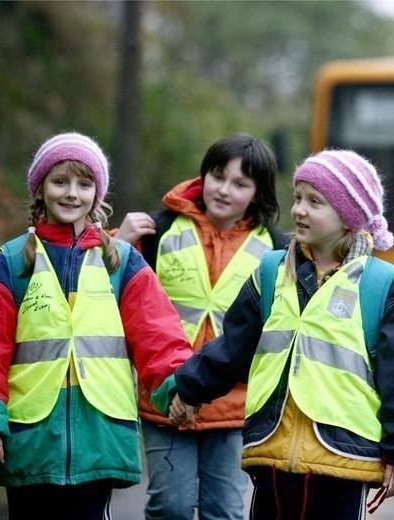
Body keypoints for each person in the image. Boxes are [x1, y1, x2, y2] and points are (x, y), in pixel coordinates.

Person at [155, 149, 394, 519]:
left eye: (315, 202)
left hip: (343, 459)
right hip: (273, 449)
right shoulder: (270, 272)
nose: (299, 209)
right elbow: (233, 347)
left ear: (348, 217)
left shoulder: (380, 286)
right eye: (298, 198)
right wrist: (189, 389)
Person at [0, 132, 193, 519]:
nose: (71, 194)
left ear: (97, 194)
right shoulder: (11, 262)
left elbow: (157, 332)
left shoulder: (123, 263)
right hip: (29, 438)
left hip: (99, 435)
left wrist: (177, 388)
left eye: (84, 184)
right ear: (40, 189)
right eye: (60, 181)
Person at [114, 133, 286, 520]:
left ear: (258, 193)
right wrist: (119, 246)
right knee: (170, 507)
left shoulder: (277, 251)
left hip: (234, 406)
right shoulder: (155, 232)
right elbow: (99, 288)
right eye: (217, 176)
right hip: (165, 397)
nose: (224, 190)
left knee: (223, 511)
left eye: (240, 184)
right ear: (203, 175)